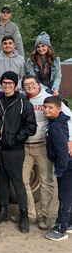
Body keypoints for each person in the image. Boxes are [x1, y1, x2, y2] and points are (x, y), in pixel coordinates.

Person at [11, 76, 72, 230]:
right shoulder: (23, 100)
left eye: (33, 83)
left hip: (42, 146)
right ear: (23, 87)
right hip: (24, 146)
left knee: (46, 182)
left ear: (39, 85)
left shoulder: (48, 99)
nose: (30, 86)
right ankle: (30, 214)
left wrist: (70, 138)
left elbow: (68, 118)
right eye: (26, 84)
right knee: (22, 180)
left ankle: (44, 215)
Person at [0, 71, 37, 233]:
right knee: (2, 180)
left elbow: (31, 126)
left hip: (15, 150)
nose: (7, 86)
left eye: (10, 83)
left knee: (17, 182)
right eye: (4, 83)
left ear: (15, 85)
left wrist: (15, 139)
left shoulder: (23, 102)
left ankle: (24, 216)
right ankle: (3, 212)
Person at [43, 96, 72, 241]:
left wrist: (60, 169)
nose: (46, 110)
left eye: (50, 107)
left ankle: (61, 229)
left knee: (64, 196)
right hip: (66, 163)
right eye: (45, 107)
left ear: (59, 109)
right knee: (68, 194)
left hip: (66, 165)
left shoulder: (56, 126)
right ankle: (69, 223)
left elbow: (62, 150)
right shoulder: (57, 121)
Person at [25, 32, 61, 96]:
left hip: (52, 86)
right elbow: (33, 79)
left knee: (57, 102)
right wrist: (46, 90)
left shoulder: (55, 59)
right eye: (38, 47)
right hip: (37, 87)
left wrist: (55, 89)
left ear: (48, 47)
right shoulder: (31, 61)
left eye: (43, 46)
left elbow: (57, 76)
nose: (40, 49)